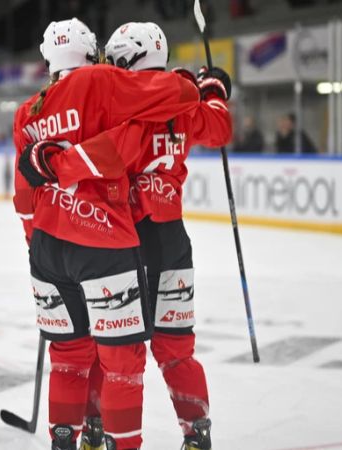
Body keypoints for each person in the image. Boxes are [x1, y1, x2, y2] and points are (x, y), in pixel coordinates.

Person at [13, 18, 201, 450]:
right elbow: (178, 96)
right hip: (102, 240)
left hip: (46, 247)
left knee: (68, 357)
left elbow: (24, 194)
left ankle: (67, 439)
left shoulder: (29, 111)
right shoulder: (100, 80)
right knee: (121, 362)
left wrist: (36, 244)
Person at [63, 22, 232, 450]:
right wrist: (213, 89)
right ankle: (197, 434)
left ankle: (96, 429)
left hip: (122, 243)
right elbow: (220, 128)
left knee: (111, 347)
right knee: (177, 350)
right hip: (172, 241)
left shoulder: (126, 102)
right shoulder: (184, 102)